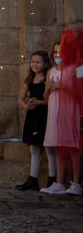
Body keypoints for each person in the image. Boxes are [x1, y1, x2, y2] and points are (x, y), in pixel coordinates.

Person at [42, 31, 83, 195]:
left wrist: (60, 87)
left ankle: (76, 182)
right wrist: (48, 90)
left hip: (70, 112)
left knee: (73, 148)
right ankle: (59, 182)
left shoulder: (75, 69)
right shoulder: (51, 71)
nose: (58, 55)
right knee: (59, 147)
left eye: (61, 52)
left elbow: (79, 92)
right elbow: (46, 96)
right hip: (54, 111)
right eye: (55, 52)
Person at [15, 50, 53, 190]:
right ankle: (33, 179)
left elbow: (50, 100)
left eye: (38, 62)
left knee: (49, 148)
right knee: (34, 149)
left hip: (46, 115)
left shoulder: (48, 79)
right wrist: (27, 105)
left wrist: (38, 103)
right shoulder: (29, 79)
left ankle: (52, 179)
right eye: (32, 62)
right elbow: (20, 98)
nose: (34, 65)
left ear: (45, 64)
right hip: (33, 116)